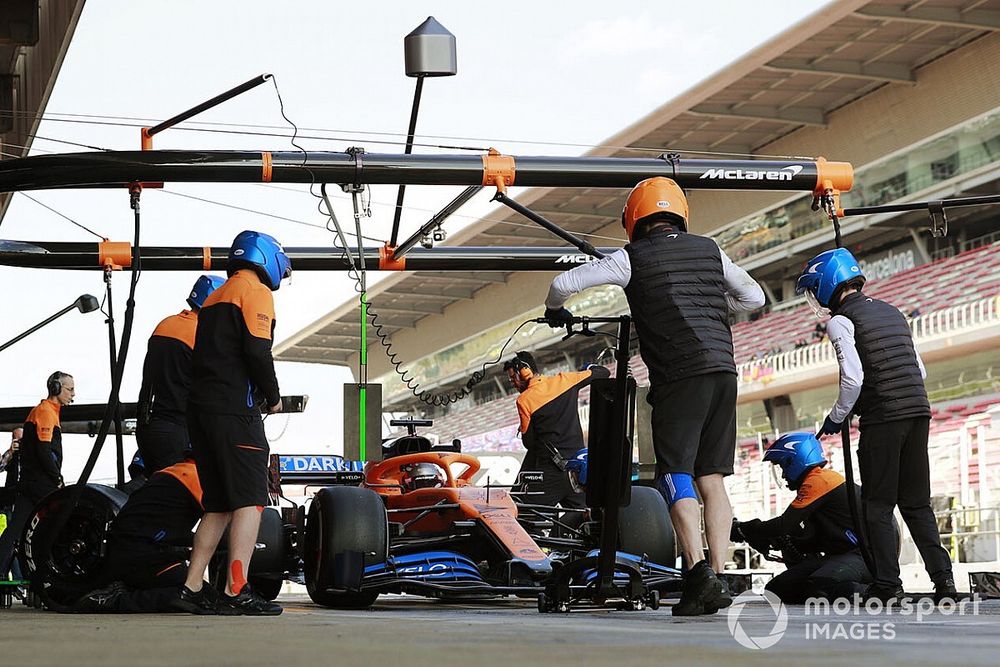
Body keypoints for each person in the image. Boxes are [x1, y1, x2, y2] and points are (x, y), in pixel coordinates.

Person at [542, 177, 765, 615]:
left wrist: (554, 311)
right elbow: (753, 296)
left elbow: (565, 283)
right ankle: (718, 576)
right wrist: (714, 307)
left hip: (681, 375)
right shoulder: (710, 249)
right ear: (680, 214)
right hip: (724, 370)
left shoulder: (631, 258)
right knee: (712, 477)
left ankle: (698, 572)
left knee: (675, 472)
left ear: (633, 220)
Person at [796, 247, 955, 602]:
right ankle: (945, 581)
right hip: (918, 409)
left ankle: (888, 585)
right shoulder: (892, 311)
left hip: (884, 416)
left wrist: (836, 417)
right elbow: (920, 369)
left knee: (878, 505)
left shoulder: (840, 321)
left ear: (825, 285)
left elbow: (853, 379)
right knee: (916, 504)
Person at [177, 230, 290, 616]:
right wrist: (273, 397)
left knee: (219, 504)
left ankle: (191, 587)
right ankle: (235, 589)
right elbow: (258, 352)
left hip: (201, 412)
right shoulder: (254, 291)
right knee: (251, 499)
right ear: (266, 258)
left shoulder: (213, 297)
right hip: (234, 412)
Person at [731, 432, 871, 603]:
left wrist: (745, 529)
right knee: (776, 590)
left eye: (783, 466)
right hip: (843, 556)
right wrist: (776, 540)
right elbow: (803, 534)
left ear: (794, 461)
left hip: (864, 557)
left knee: (819, 585)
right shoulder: (818, 484)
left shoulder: (819, 480)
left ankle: (874, 593)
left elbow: (784, 525)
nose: (783, 475)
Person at [73, 456, 207, 613]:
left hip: (131, 550)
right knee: (199, 595)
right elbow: (219, 534)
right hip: (140, 555)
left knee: (197, 590)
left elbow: (165, 530)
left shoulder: (175, 471)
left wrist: (192, 549)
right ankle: (119, 600)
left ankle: (123, 589)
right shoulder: (198, 478)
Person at [135, 275, 225, 475]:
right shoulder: (202, 334)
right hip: (176, 430)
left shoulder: (165, 324)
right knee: (181, 499)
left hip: (147, 428)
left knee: (159, 495)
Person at [504, 351, 609, 523]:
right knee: (585, 517)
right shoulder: (565, 380)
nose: (513, 383)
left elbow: (529, 443)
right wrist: (589, 367)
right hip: (578, 472)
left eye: (513, 378)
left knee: (523, 517)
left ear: (525, 371)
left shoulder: (524, 400)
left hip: (550, 472)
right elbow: (603, 372)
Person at [0, 373, 75, 579]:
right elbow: (43, 450)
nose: (73, 394)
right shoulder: (45, 412)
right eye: (69, 389)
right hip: (41, 483)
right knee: (59, 525)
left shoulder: (46, 412)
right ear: (56, 387)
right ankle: (52, 573)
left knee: (17, 530)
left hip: (31, 481)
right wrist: (56, 477)